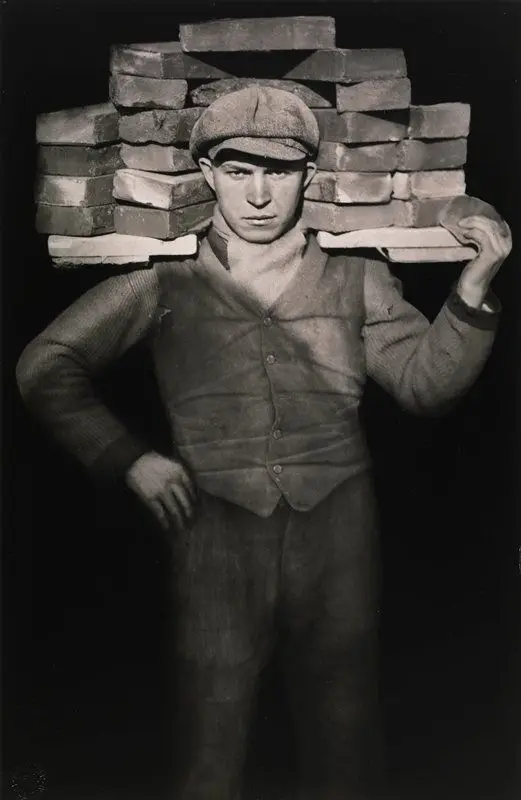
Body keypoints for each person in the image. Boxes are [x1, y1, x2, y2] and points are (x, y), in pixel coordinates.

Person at [16, 87, 512, 800]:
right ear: (208, 174)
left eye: (277, 171)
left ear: (307, 176)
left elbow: (425, 387)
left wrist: (470, 291)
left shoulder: (356, 277)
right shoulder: (166, 280)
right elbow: (44, 366)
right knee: (210, 741)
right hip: (213, 531)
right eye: (237, 169)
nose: (257, 193)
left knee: (345, 737)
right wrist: (130, 459)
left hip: (337, 528)